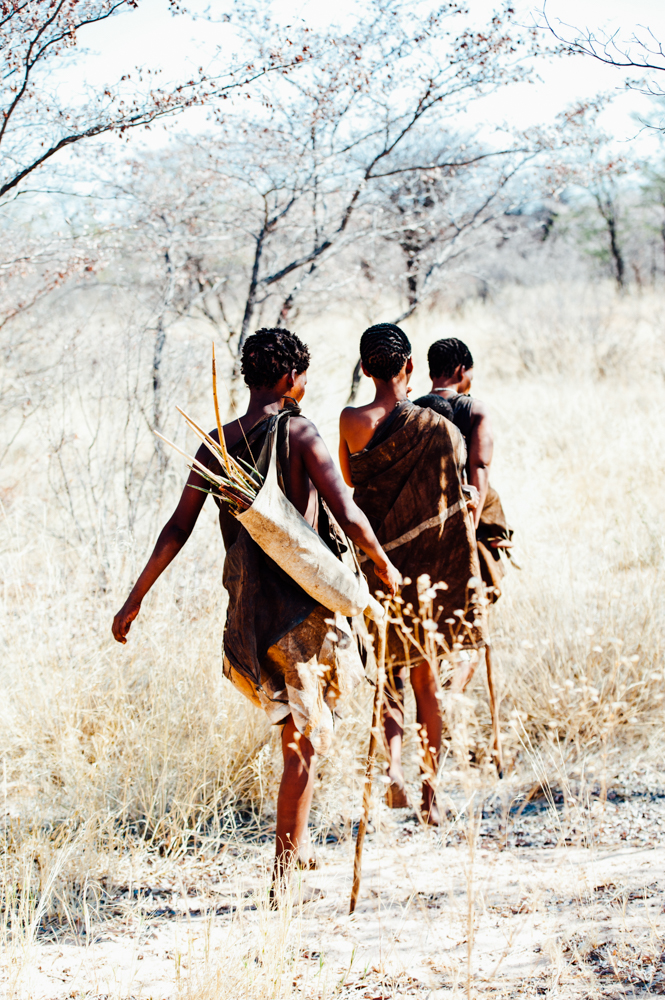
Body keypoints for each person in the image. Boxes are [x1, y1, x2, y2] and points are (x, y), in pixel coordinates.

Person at [112, 328, 400, 886]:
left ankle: (300, 845)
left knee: (297, 735)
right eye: (304, 376)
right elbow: (347, 512)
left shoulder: (214, 444)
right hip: (304, 616)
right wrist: (383, 566)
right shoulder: (300, 432)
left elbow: (178, 528)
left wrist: (135, 598)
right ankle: (282, 877)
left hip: (248, 616)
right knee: (303, 744)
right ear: (291, 377)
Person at [339, 323, 485, 825]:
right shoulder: (440, 428)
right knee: (426, 682)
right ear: (409, 369)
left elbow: (351, 490)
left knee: (386, 679)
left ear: (364, 368)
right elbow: (450, 511)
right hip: (425, 573)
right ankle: (430, 793)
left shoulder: (349, 420)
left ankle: (394, 777)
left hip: (376, 565)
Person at [412, 338, 513, 601]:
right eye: (470, 372)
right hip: (465, 503)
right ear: (460, 370)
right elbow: (479, 466)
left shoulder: (414, 408)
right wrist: (471, 525)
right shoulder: (474, 409)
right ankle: (498, 536)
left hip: (421, 508)